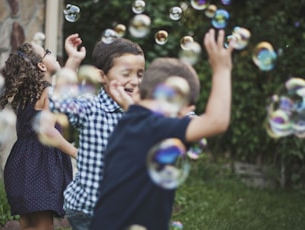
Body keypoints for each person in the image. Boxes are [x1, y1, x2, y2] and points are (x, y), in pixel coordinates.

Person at [89, 28, 234, 230]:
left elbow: (135, 108)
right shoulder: (157, 127)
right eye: (186, 106)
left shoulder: (131, 118)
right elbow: (217, 121)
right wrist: (222, 69)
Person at [0, 33, 85, 230]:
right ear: (41, 66)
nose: (51, 53)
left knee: (28, 224)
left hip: (21, 163)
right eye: (47, 52)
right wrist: (76, 152)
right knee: (43, 226)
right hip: (41, 164)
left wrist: (73, 59)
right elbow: (48, 131)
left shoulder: (27, 96)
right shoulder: (47, 93)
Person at [48, 37, 145, 229]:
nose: (135, 80)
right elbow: (58, 100)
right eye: (126, 73)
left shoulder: (143, 111)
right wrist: (74, 61)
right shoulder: (91, 106)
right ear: (103, 76)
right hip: (88, 209)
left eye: (140, 74)